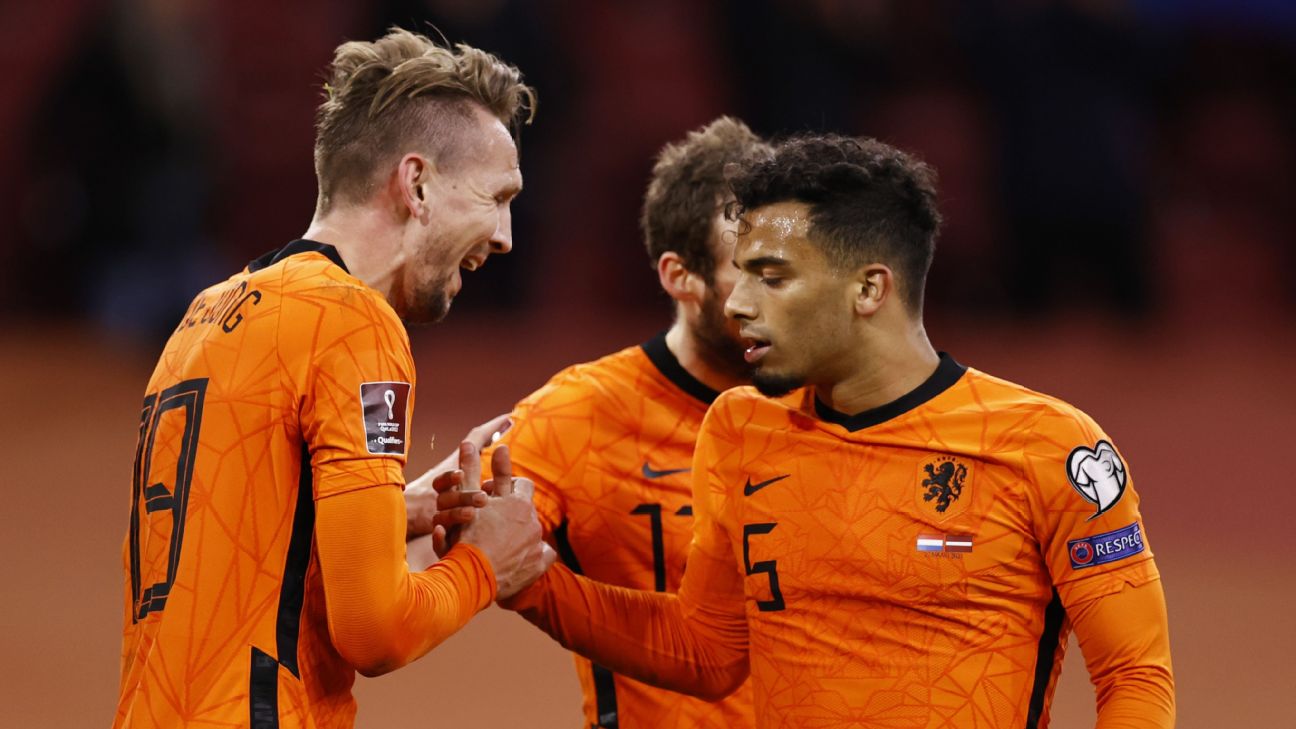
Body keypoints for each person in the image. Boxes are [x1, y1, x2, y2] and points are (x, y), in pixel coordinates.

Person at [499, 134, 1176, 728]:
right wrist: (530, 579)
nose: (738, 303)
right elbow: (706, 651)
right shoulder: (741, 429)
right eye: (742, 274)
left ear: (870, 289)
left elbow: (1135, 678)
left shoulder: (1050, 446)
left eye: (772, 278)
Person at [114, 29, 553, 729]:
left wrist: (391, 511)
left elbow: (239, 540)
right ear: (416, 184)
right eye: (496, 197)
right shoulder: (354, 322)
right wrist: (486, 562)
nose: (505, 236)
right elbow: (376, 631)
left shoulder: (208, 314)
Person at [407, 117, 766, 728]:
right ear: (680, 276)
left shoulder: (835, 401)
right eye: (749, 268)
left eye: (787, 271)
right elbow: (423, 542)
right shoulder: (584, 412)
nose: (775, 295)